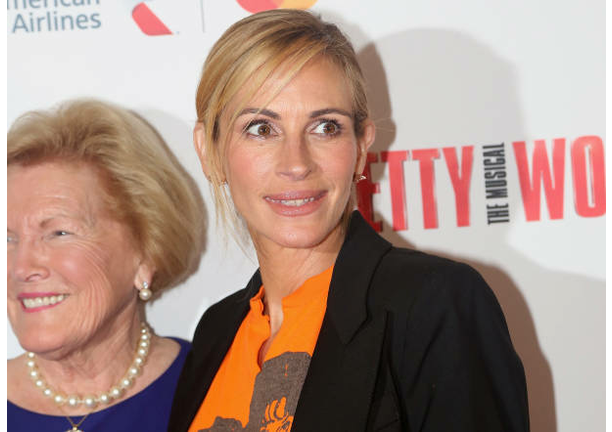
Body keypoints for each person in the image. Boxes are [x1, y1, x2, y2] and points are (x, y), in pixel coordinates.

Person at [169, 9, 529, 432]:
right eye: (261, 129)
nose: (296, 164)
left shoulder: (435, 306)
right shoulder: (217, 331)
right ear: (209, 151)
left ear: (360, 148)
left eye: (325, 127)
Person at [7, 99, 206, 432]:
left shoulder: (214, 388)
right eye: (8, 238)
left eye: (59, 233)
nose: (21, 268)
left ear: (147, 251)